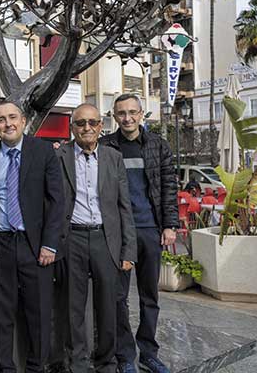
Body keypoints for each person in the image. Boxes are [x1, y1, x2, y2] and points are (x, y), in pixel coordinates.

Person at [0, 102, 64, 372]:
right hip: (0, 245)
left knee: (38, 312)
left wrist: (49, 244)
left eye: (12, 117)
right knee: (2, 314)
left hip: (34, 244)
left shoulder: (43, 151)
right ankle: (5, 368)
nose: (8, 123)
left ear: (24, 120)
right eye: (1, 120)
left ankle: (37, 367)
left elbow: (56, 200)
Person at [55, 104, 137, 373]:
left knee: (109, 307)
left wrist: (128, 251)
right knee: (72, 308)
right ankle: (77, 363)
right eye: (80, 123)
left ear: (101, 126)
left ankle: (106, 363)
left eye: (92, 123)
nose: (87, 128)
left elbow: (125, 207)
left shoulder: (113, 157)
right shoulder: (59, 156)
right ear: (72, 127)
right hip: (72, 239)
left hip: (106, 239)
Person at [100, 94, 179, 373]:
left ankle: (148, 352)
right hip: (117, 233)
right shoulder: (104, 146)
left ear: (142, 114)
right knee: (118, 297)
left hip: (149, 229)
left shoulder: (158, 146)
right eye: (121, 113)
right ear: (114, 115)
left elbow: (169, 186)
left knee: (149, 296)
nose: (127, 118)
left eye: (132, 112)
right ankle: (124, 354)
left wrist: (169, 225)